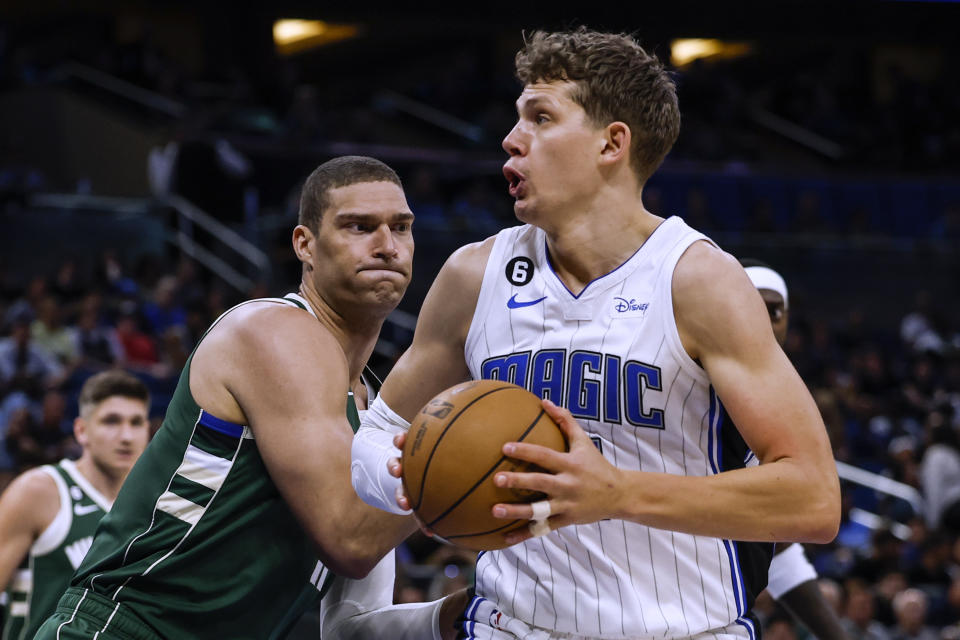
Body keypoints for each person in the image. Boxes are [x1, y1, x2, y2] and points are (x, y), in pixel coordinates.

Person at [352, 27, 840, 640]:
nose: (511, 138)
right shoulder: (474, 276)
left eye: (541, 117)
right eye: (516, 117)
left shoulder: (698, 281)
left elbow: (814, 499)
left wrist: (617, 492)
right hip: (511, 625)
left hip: (687, 628)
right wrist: (414, 481)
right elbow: (377, 437)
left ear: (612, 144)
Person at [33, 156, 462, 640]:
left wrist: (470, 612)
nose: (386, 246)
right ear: (305, 245)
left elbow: (353, 628)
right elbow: (351, 539)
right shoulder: (272, 330)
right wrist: (462, 464)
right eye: (359, 227)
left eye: (401, 228)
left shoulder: (376, 410)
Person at [739, 259, 849, 640]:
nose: (767, 320)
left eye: (775, 311)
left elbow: (781, 543)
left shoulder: (789, 399)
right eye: (754, 306)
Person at [0, 370, 151, 640]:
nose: (126, 436)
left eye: (136, 422)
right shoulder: (40, 490)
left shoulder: (155, 507)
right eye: (111, 421)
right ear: (81, 430)